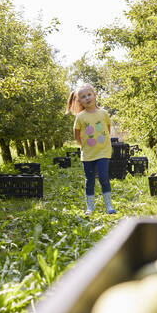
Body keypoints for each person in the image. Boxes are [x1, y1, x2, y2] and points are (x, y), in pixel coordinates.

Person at [65, 83, 116, 215]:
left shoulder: (103, 113)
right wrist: (84, 145)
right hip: (88, 154)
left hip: (103, 152)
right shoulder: (80, 117)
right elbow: (76, 134)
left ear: (95, 95)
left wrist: (102, 143)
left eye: (89, 95)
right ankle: (90, 207)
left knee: (104, 177)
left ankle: (109, 205)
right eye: (83, 97)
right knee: (90, 180)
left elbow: (108, 130)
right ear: (79, 101)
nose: (87, 98)